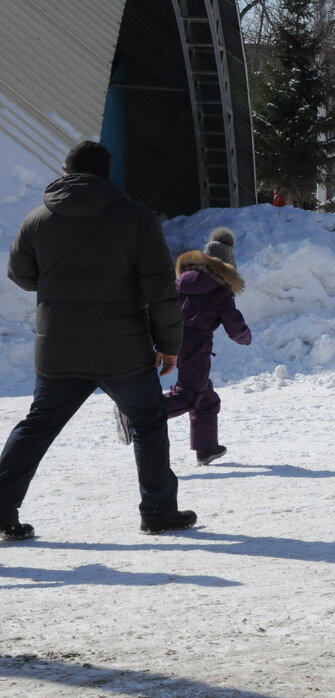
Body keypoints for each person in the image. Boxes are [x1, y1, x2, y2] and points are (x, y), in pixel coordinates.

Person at [0, 140, 196, 540]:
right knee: (147, 421)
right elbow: (159, 288)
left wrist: (59, 285)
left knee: (38, 427)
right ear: (108, 173)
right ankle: (158, 511)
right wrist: (170, 343)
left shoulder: (37, 219)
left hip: (58, 346)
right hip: (122, 348)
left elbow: (20, 275)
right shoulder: (137, 218)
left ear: (66, 171)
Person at [163, 227, 252, 466]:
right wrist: (245, 337)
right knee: (190, 394)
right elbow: (233, 324)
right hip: (195, 343)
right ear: (226, 265)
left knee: (206, 398)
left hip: (173, 339)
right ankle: (136, 413)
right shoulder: (220, 289)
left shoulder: (183, 280)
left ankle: (206, 448)